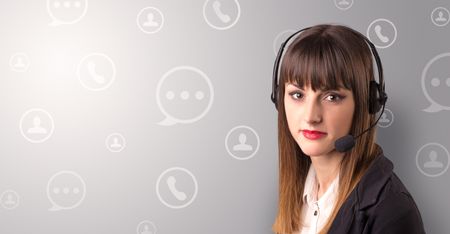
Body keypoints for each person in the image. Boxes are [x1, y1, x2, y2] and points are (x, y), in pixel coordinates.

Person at [270, 24, 425, 234]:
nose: (310, 116)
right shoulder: (300, 192)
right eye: (297, 95)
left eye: (331, 97)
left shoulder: (392, 212)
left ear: (365, 102)